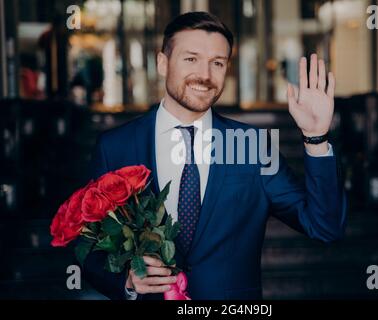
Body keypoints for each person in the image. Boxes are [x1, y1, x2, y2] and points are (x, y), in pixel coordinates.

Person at [83, 11, 346, 300]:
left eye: (217, 63)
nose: (205, 75)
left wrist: (316, 138)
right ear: (162, 63)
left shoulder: (254, 147)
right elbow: (90, 249)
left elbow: (325, 226)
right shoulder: (115, 147)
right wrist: (127, 281)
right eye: (191, 59)